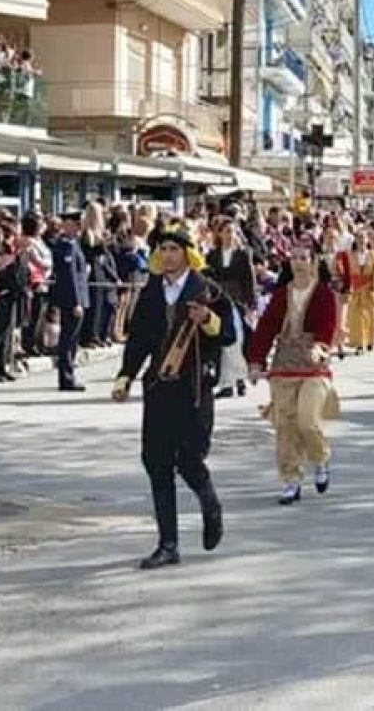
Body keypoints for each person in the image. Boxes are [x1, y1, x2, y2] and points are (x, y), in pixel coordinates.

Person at [111, 222, 233, 570]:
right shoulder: (151, 291)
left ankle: (210, 504)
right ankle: (168, 544)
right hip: (159, 388)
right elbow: (138, 340)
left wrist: (208, 320)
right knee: (156, 462)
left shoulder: (207, 290)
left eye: (174, 249)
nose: (167, 256)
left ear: (188, 254)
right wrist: (126, 375)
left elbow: (230, 334)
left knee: (190, 461)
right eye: (162, 249)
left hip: (193, 389)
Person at [247, 239, 339, 505]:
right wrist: (256, 361)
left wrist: (320, 348)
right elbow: (266, 328)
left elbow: (327, 326)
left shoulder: (323, 294)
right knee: (285, 425)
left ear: (313, 261)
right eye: (294, 258)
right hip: (284, 366)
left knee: (307, 421)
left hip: (313, 367)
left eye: (303, 258)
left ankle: (320, 459)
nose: (298, 263)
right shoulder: (281, 294)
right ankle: (291, 479)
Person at [207, 216, 256, 399]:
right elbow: (209, 278)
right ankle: (226, 383)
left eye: (233, 232)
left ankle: (240, 379)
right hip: (220, 302)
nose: (230, 235)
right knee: (223, 343)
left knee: (238, 340)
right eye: (226, 231)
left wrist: (250, 304)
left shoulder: (242, 255)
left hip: (238, 301)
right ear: (220, 234)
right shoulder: (212, 255)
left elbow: (249, 279)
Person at [52, 211, 89, 392]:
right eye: (74, 224)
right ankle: (66, 377)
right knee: (68, 339)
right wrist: (76, 301)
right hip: (71, 299)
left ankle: (69, 374)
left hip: (77, 296)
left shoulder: (74, 244)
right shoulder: (65, 245)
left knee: (72, 339)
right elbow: (70, 276)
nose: (78, 228)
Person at [334, 230, 374, 355]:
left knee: (371, 316)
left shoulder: (373, 255)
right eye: (359, 238)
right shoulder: (350, 255)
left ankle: (370, 340)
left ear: (367, 240)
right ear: (355, 240)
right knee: (356, 319)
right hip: (355, 290)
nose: (361, 240)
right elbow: (344, 272)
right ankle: (359, 344)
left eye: (363, 238)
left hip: (368, 290)